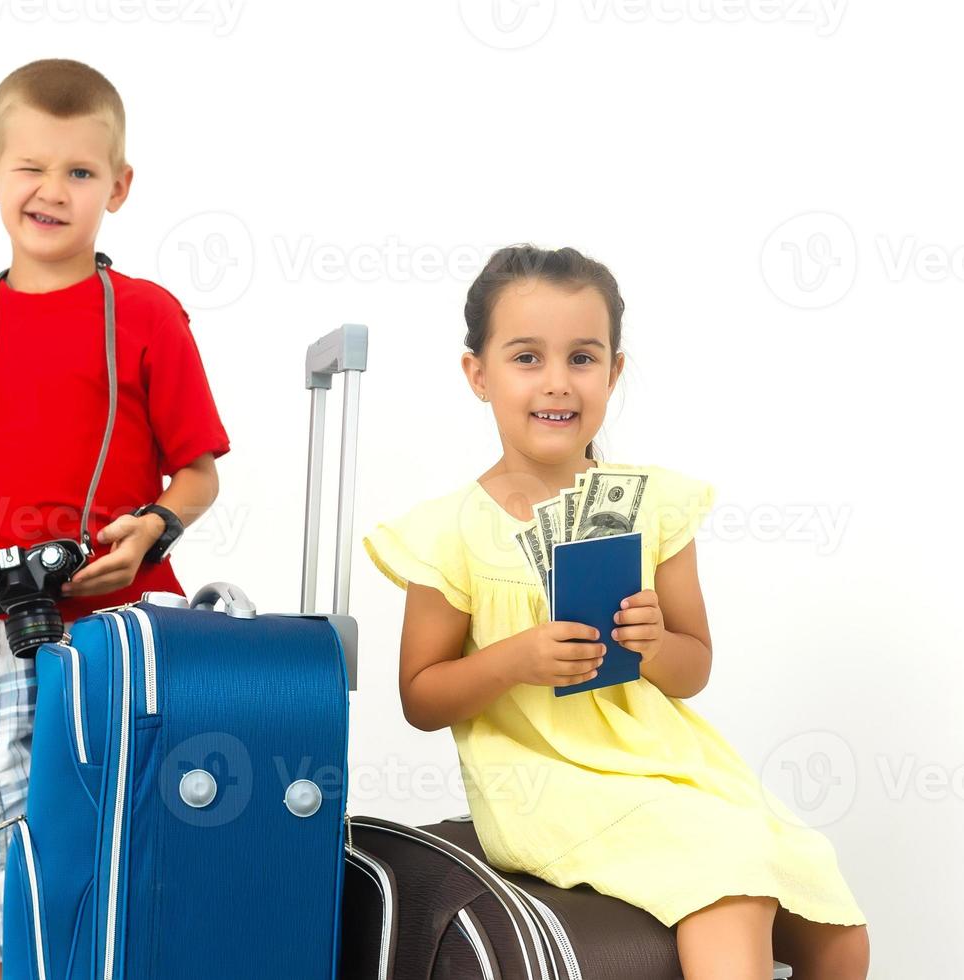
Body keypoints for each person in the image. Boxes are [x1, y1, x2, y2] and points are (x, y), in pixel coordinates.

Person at [363, 245, 870, 979]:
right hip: (543, 778)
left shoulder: (652, 503)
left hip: (669, 765)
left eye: (582, 358)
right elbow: (421, 697)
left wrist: (656, 642)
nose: (558, 382)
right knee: (729, 884)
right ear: (478, 374)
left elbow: (691, 667)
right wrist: (516, 659)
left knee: (837, 931)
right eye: (526, 358)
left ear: (614, 372)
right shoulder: (448, 530)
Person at [0, 58, 229, 978]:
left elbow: (197, 475)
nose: (52, 191)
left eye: (80, 172)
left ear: (118, 189)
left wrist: (150, 531)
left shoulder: (149, 315)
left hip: (127, 631)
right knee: (3, 849)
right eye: (30, 168)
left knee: (130, 840)